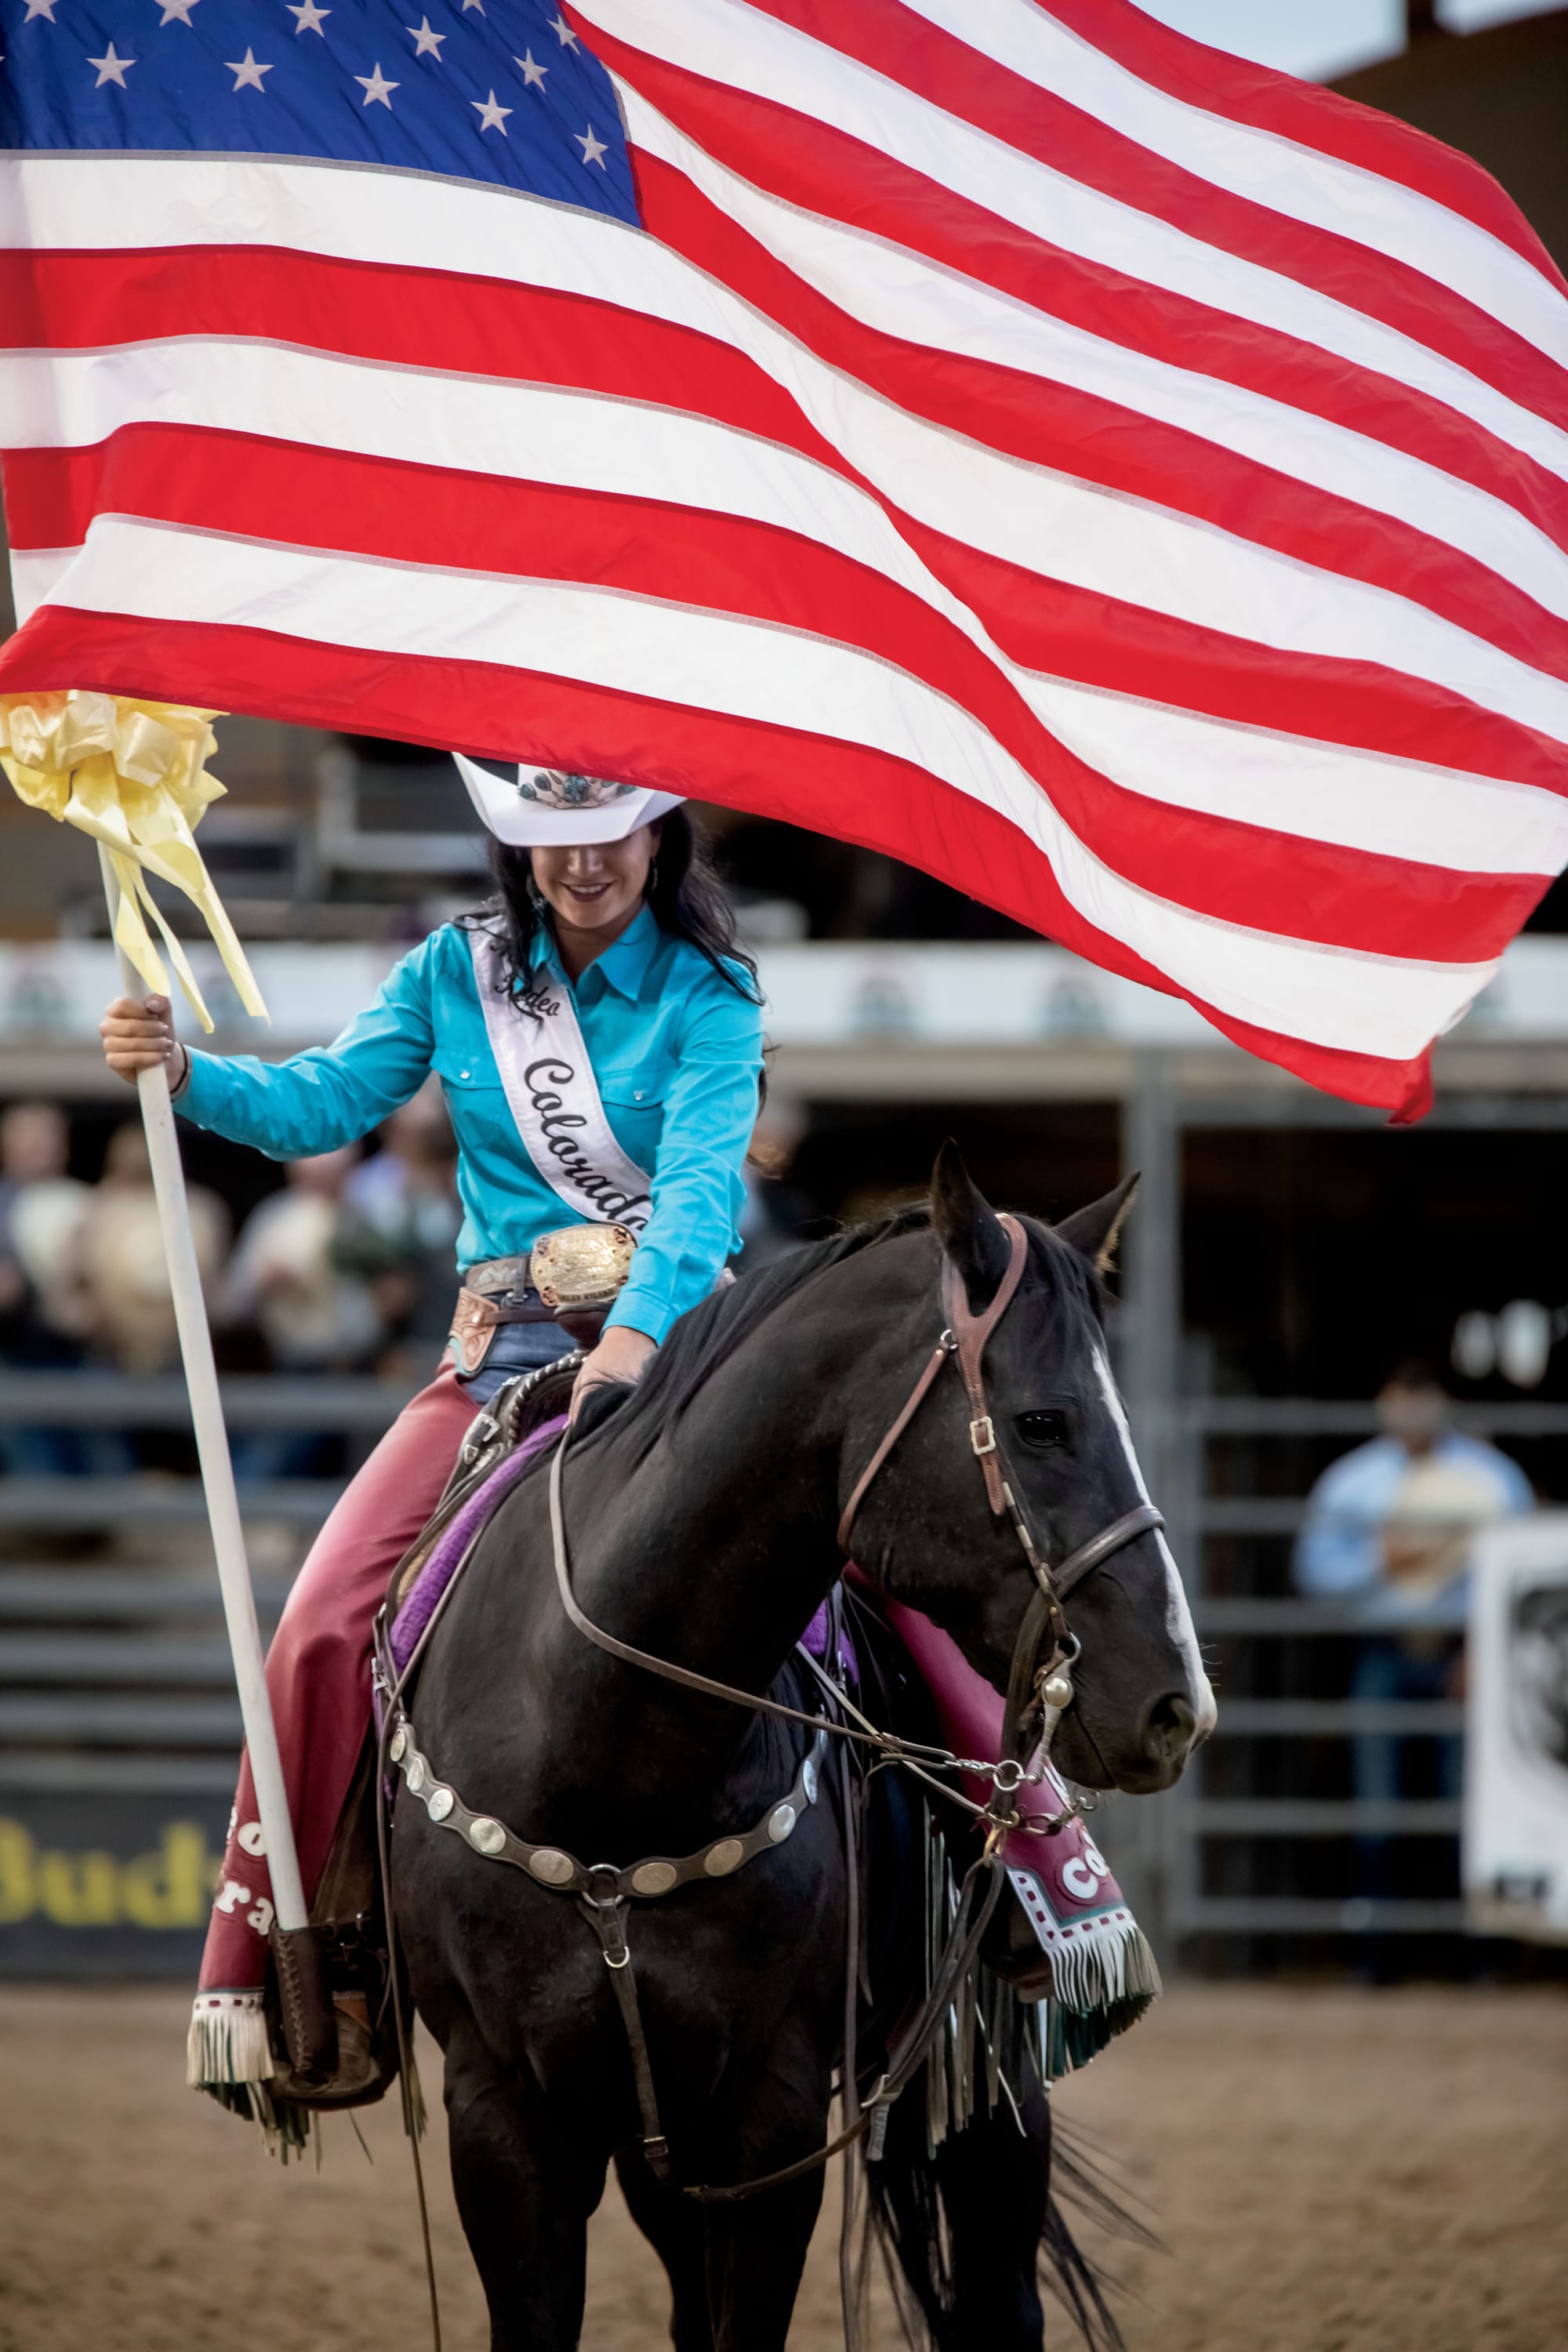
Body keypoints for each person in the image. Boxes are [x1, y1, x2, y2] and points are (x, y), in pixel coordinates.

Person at [99, 764, 766, 2064]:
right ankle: (315, 1956)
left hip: (683, 1343)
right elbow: (323, 1106)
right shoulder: (453, 972)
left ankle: (1021, 1875)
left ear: (656, 833)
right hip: (500, 1348)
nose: (585, 863)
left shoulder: (712, 992)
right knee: (316, 1627)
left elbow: (695, 1195)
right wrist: (183, 1071)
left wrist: (630, 1346)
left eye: (609, 834)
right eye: (552, 839)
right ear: (516, 845)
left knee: (891, 1556)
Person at [1294, 1362, 1533, 1896]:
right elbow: (1315, 1571)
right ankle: (1376, 1949)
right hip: (1384, 1648)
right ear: (1385, 1403)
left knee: (1469, 1796)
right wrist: (1381, 1560)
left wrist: (1485, 1649)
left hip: (1467, 1653)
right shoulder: (1352, 1481)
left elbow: (1520, 1573)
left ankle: (1476, 1952)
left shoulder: (1493, 1477)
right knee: (1378, 1798)